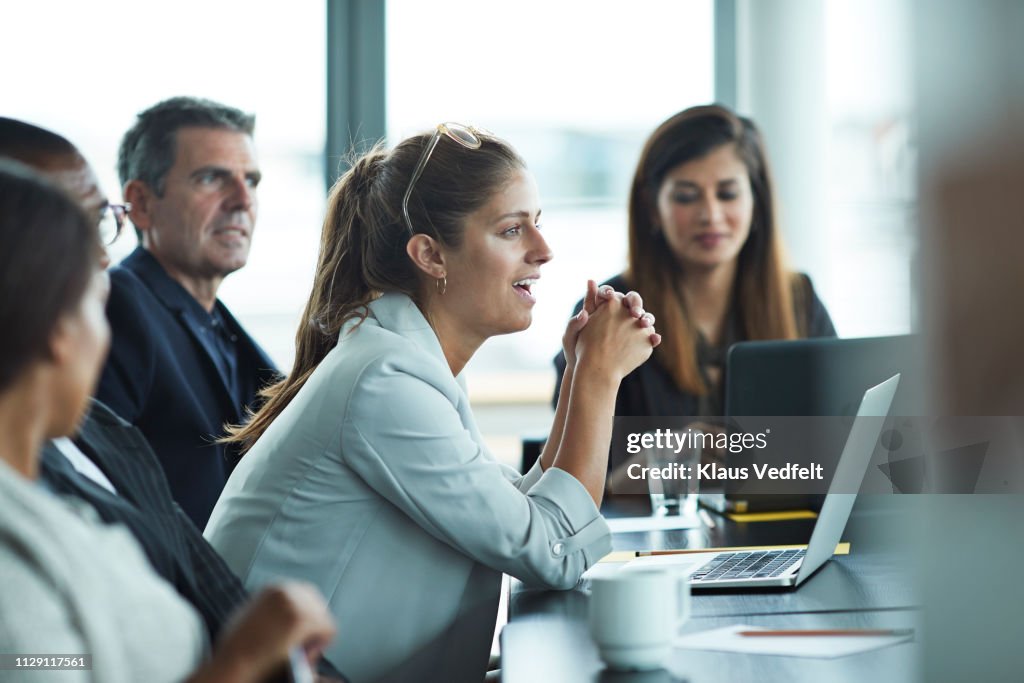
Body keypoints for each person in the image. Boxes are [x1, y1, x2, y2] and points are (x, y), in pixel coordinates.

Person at [204, 124, 660, 682]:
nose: (543, 251)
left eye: (537, 225)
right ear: (430, 255)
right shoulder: (385, 379)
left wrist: (578, 379)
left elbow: (520, 512)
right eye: (512, 229)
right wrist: (596, 377)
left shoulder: (405, 361)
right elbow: (554, 552)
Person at [0, 117, 345, 679]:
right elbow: (38, 659)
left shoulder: (107, 434)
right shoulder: (18, 552)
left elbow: (201, 574)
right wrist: (244, 659)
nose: (104, 263)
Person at [554, 104, 836, 477]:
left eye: (728, 194)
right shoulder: (614, 314)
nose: (711, 215)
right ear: (653, 209)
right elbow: (571, 486)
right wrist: (659, 466)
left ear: (756, 202)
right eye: (686, 196)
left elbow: (840, 443)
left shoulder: (799, 299)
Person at [96, 97, 279, 528]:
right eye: (213, 178)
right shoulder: (115, 307)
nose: (242, 201)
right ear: (140, 203)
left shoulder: (222, 325)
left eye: (250, 181)